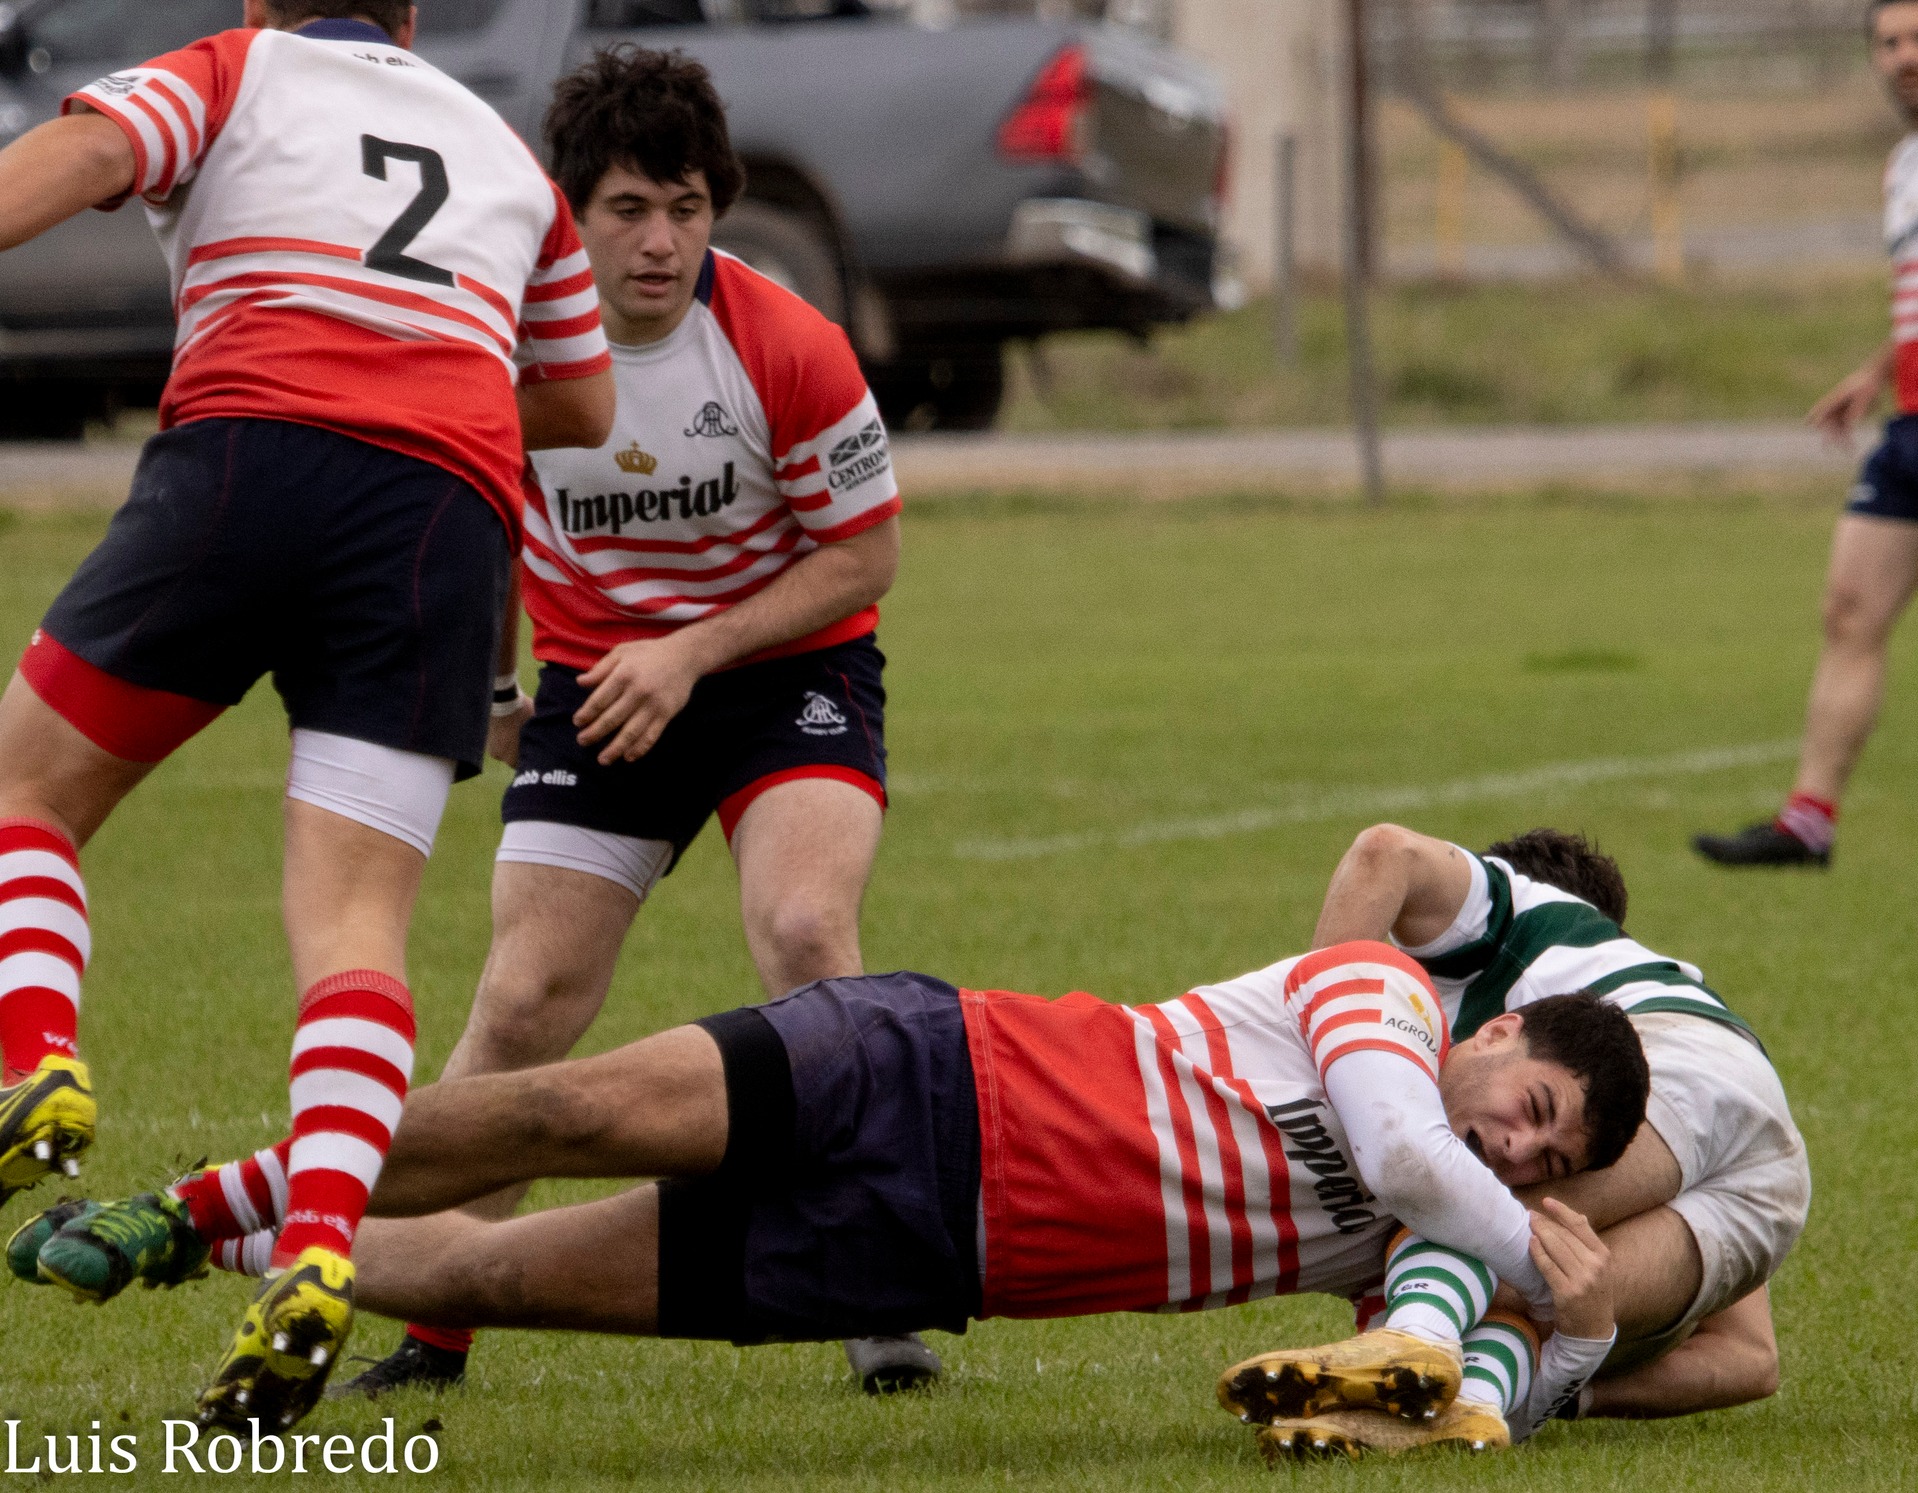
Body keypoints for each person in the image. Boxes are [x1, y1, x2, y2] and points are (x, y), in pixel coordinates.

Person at [0, 0, 614, 1429]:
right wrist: (434, 349)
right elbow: (580, 398)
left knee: (27, 790)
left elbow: (85, 160)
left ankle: (37, 1064)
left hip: (249, 453)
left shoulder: (233, 68)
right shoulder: (507, 157)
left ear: (264, 0)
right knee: (354, 924)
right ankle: (326, 1245)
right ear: (411, 14)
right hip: (443, 512)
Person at [10, 942, 1651, 1437]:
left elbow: (1429, 1385)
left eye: (1550, 1159)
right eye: (1531, 1108)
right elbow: (1402, 1150)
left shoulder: (1432, 1237)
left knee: (492, 1277)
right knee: (557, 1105)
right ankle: (194, 1199)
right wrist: (1540, 1251)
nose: (1517, 1150)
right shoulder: (1385, 1001)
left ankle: (239, 1259)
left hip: (909, 1245)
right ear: (1494, 1027)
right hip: (922, 1063)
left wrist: (1542, 1342)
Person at [330, 45, 912, 1400]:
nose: (664, 243)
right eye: (631, 209)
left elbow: (865, 559)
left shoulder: (786, 343)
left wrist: (693, 649)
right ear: (566, 210)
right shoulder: (501, 347)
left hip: (788, 673)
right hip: (598, 690)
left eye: (691, 208)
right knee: (527, 999)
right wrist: (482, 685)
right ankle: (430, 1321)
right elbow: (458, 511)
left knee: (811, 938)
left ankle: (878, 1289)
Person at [1231, 824, 1809, 1457]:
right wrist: (1556, 1389)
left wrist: (1322, 1037)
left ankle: (1413, 1343)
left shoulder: (1514, 935)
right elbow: (1751, 1361)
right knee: (1537, 1291)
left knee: (1457, 1225)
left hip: (1689, 1066)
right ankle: (1469, 1407)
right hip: (1770, 1186)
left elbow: (1384, 851)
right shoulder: (1498, 1052)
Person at [1695, 0, 1918, 869]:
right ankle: (1806, 825)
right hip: (1917, 427)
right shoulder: (1909, 162)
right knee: (1849, 612)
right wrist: (1877, 372)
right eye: (1888, 44)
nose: (1903, 58)